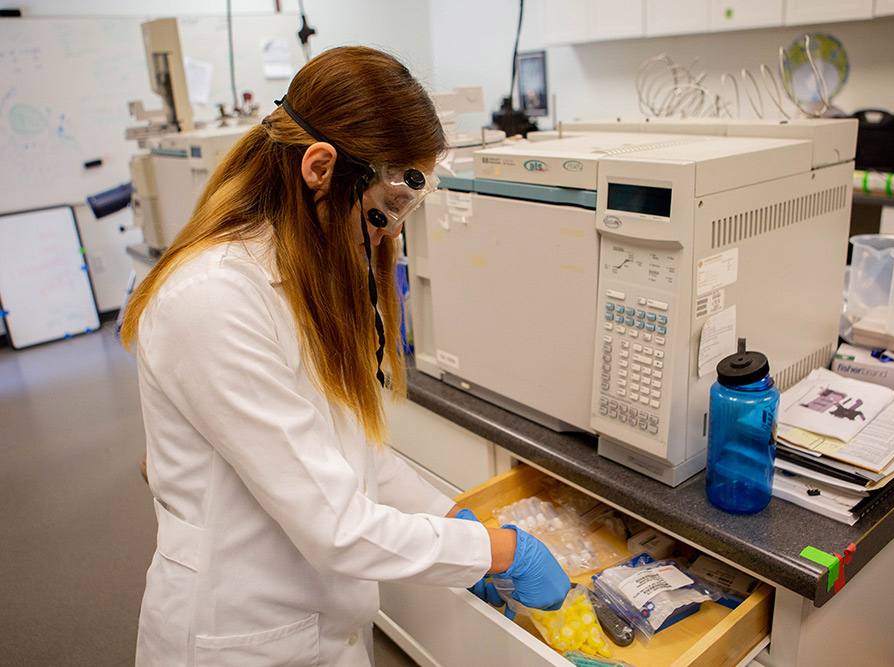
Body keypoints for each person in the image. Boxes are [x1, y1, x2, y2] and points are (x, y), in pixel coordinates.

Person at [120, 46, 570, 666]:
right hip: (238, 638)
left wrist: (459, 522)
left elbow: (354, 457)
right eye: (391, 202)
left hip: (323, 631)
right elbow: (334, 527)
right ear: (320, 166)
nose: (394, 230)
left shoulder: (308, 273)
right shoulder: (214, 299)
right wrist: (498, 551)